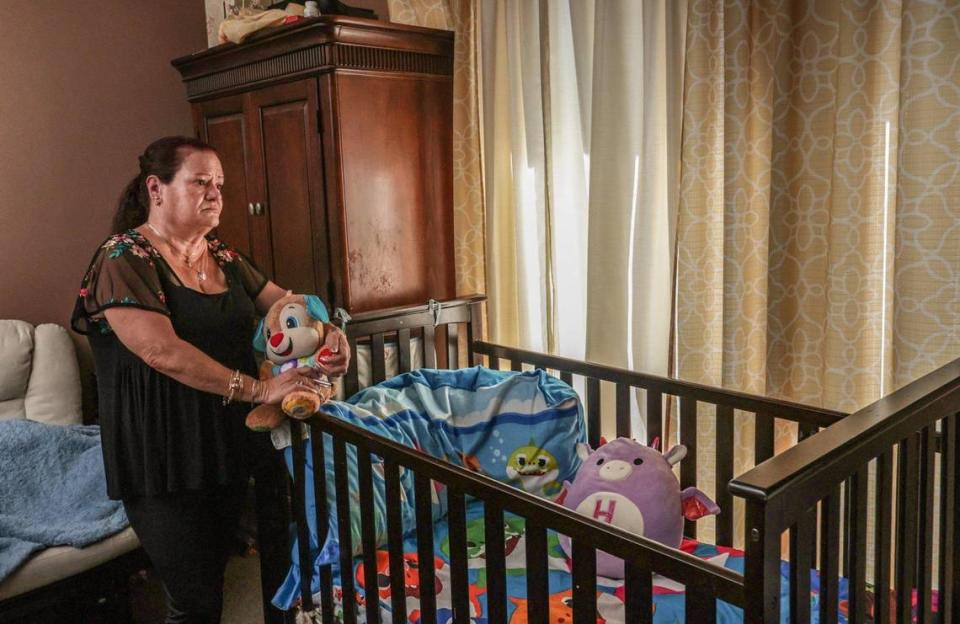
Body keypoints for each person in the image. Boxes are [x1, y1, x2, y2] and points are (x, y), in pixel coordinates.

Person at [71, 136, 350, 623]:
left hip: (227, 445)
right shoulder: (122, 258)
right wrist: (261, 390)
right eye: (200, 182)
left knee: (252, 570)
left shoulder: (220, 254)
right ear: (156, 188)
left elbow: (290, 306)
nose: (216, 193)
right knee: (195, 600)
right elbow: (161, 351)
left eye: (219, 183)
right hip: (163, 457)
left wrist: (330, 336)